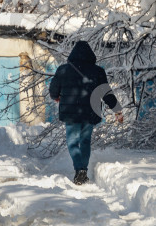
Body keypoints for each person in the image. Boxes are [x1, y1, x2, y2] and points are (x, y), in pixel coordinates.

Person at [49, 41, 123, 185]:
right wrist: (117, 110)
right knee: (85, 141)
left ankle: (79, 170)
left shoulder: (63, 70)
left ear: (73, 54)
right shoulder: (98, 71)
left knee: (72, 142)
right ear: (91, 55)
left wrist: (57, 96)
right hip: (90, 111)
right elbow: (106, 93)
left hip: (71, 113)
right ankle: (83, 170)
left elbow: (53, 91)